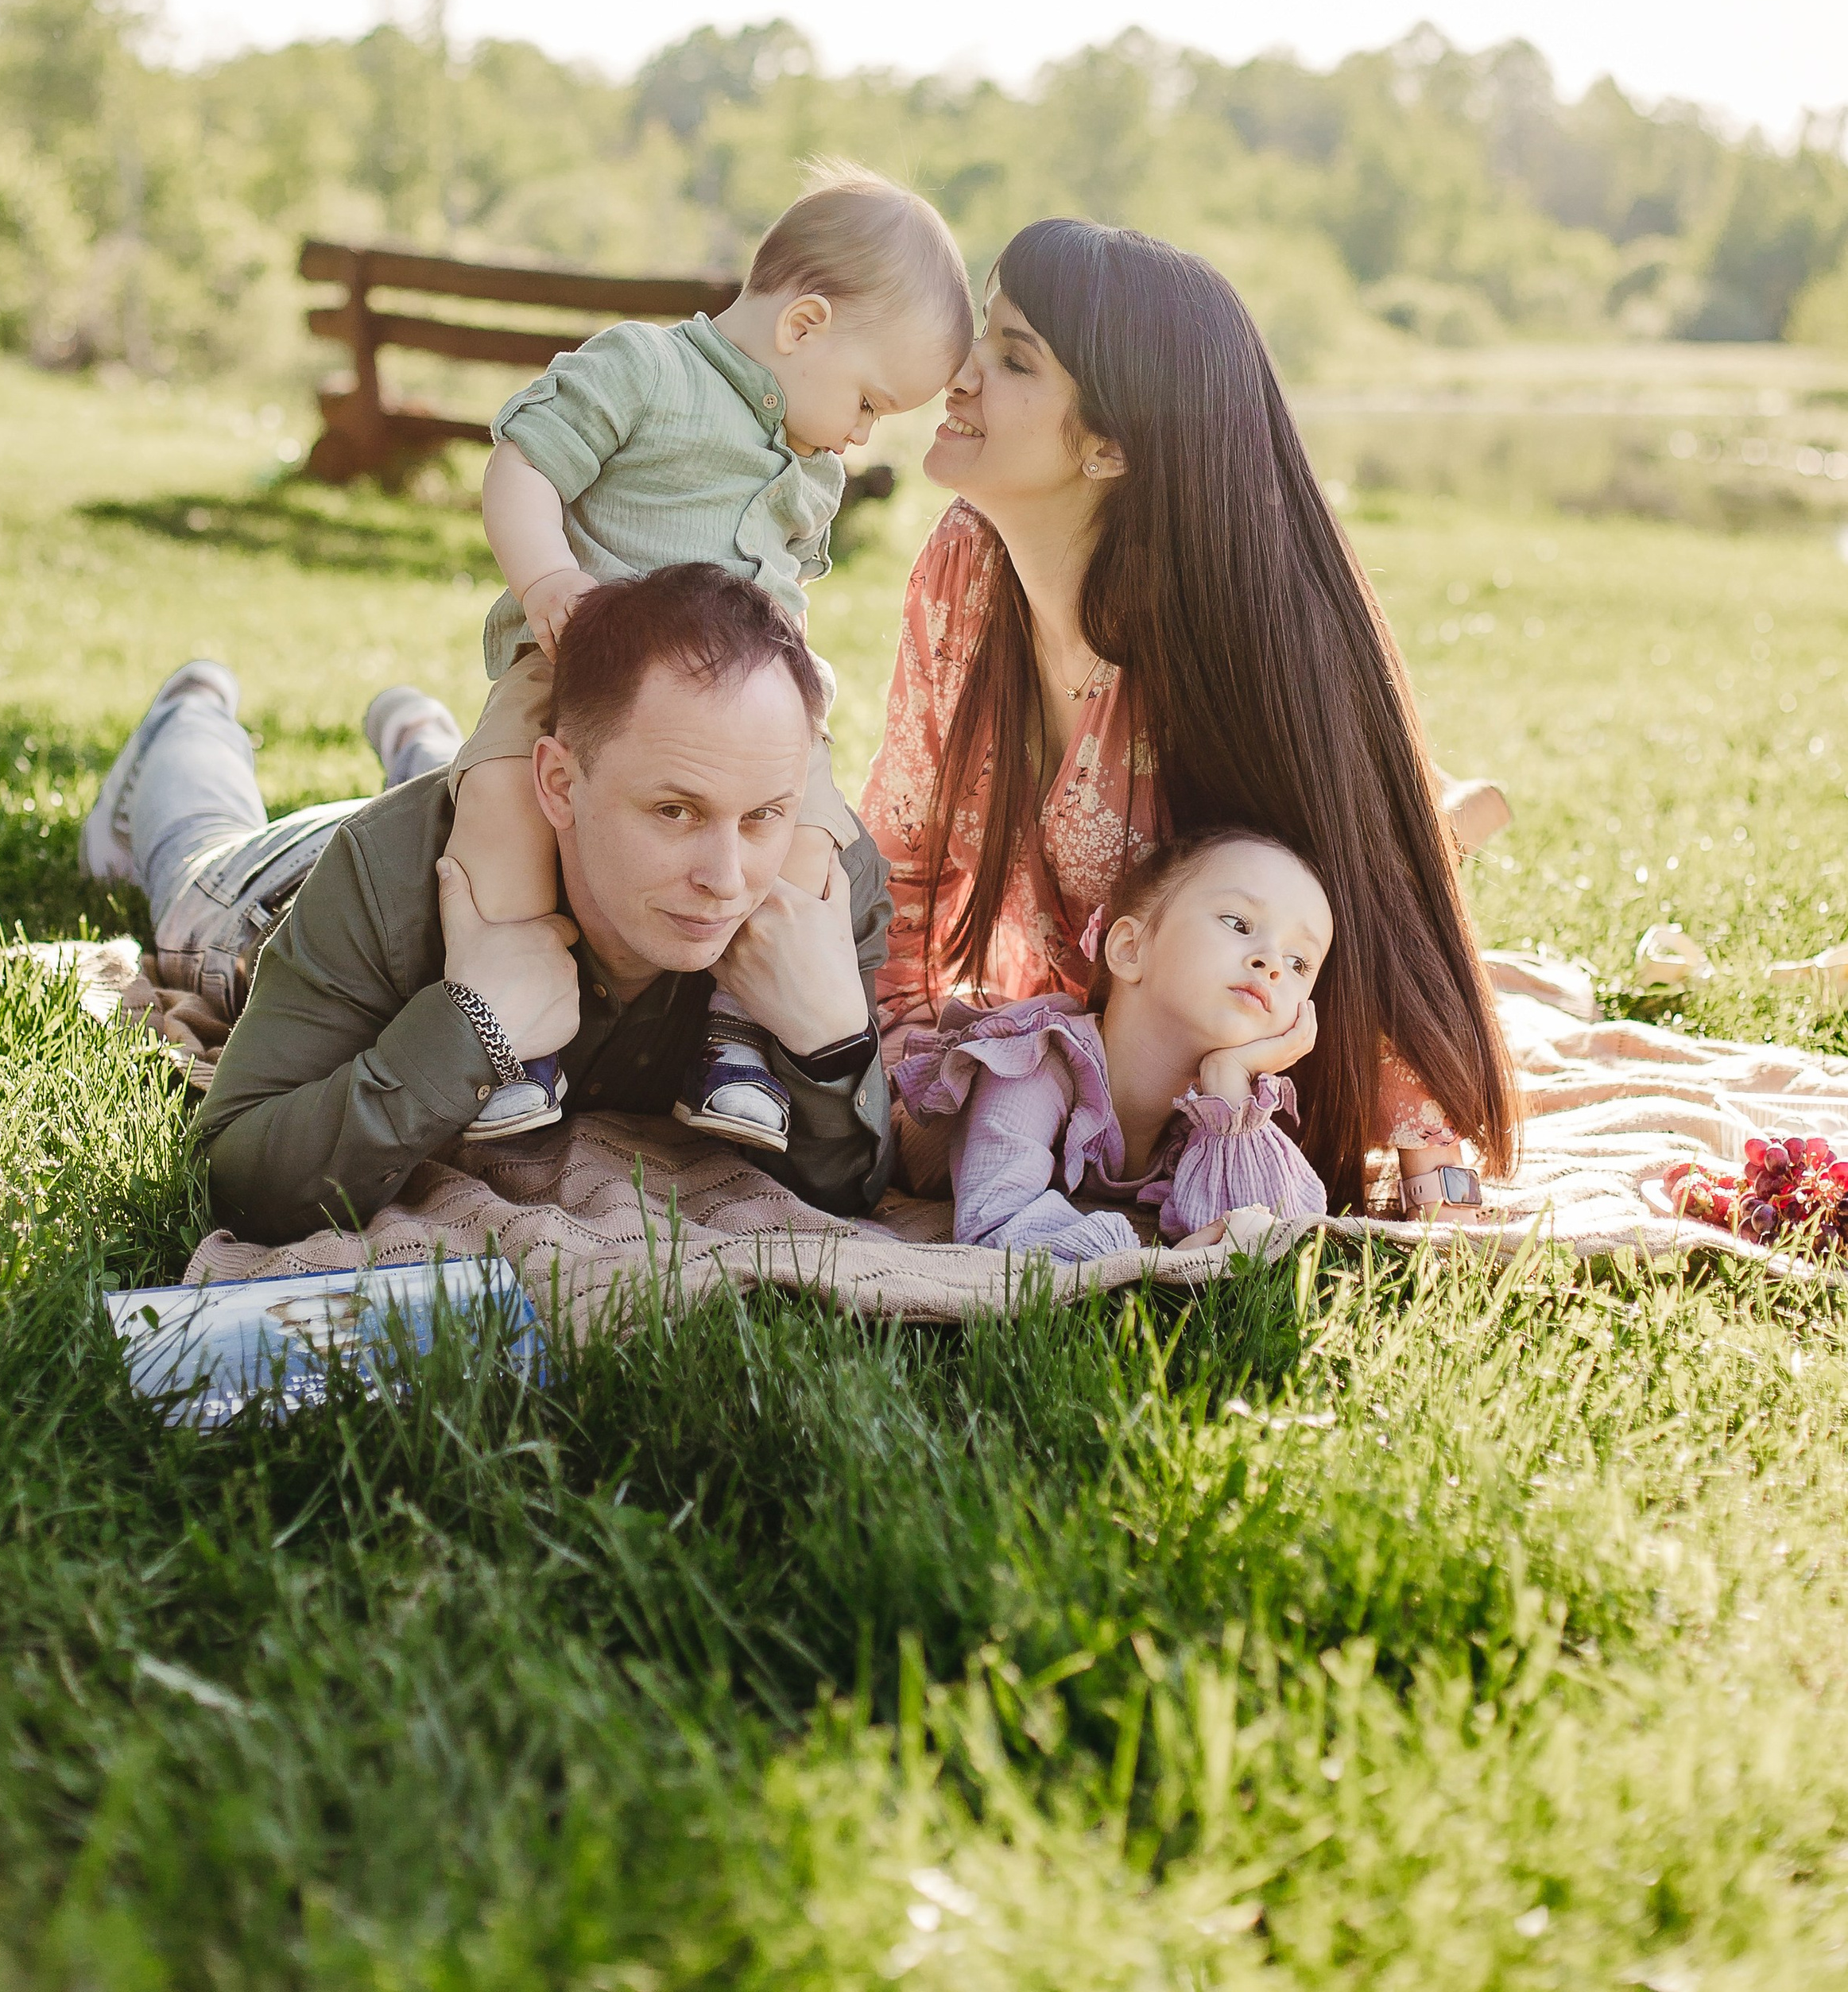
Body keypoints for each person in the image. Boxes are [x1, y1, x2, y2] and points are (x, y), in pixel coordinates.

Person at [862, 220, 1517, 1219]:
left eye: (1012, 356)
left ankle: (1444, 815)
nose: (960, 373)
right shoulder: (963, 564)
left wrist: (1436, 1164)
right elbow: (900, 848)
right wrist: (903, 1050)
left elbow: (1368, 900)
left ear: (1110, 445)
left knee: (1398, 838)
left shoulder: (1232, 639)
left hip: (1206, 1056)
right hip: (1083, 1035)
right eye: (979, 337)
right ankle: (1446, 807)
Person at [81, 568, 895, 1247]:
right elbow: (238, 1176)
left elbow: (848, 1185)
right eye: (674, 811)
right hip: (274, 891)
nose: (726, 877)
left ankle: (421, 736)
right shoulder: (383, 875)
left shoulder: (817, 890)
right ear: (557, 782)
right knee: (197, 849)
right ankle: (188, 713)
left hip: (504, 811)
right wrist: (466, 1030)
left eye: (761, 815)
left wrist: (831, 1044)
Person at [439, 169, 971, 1153]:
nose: (862, 433)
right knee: (504, 800)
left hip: (740, 719)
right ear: (803, 324)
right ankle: (516, 1038)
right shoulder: (645, 368)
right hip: (576, 664)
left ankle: (736, 1037)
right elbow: (522, 465)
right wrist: (551, 578)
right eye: (868, 402)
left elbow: (785, 600)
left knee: (808, 837)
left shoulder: (809, 469)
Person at [894, 830, 1331, 1262]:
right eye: (1239, 924)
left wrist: (1230, 1079)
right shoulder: (1035, 1064)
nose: (1272, 963)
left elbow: (1274, 1238)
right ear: (1129, 949)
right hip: (865, 1132)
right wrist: (1144, 1265)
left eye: (1299, 962)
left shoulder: (1212, 1115)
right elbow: (996, 1226)